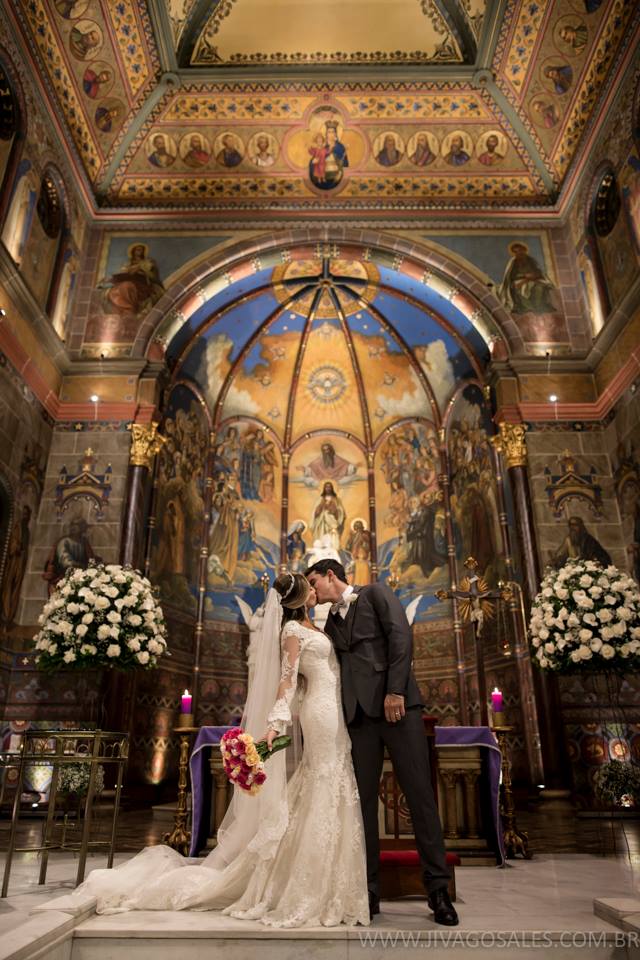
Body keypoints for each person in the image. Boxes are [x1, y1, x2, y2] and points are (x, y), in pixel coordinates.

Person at [40, 574, 369, 927]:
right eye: (309, 586)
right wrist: (274, 726)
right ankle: (309, 888)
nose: (314, 589)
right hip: (320, 714)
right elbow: (287, 682)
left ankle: (331, 883)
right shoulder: (291, 632)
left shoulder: (316, 627)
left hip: (333, 711)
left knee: (331, 781)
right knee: (323, 781)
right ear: (299, 597)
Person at [306, 559, 458, 927]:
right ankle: (368, 890)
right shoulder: (330, 622)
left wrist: (395, 691)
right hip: (358, 720)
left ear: (330, 575)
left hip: (398, 710)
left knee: (420, 796)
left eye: (314, 582)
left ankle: (437, 891)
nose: (312, 590)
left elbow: (401, 638)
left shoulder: (375, 593)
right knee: (361, 807)